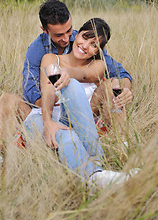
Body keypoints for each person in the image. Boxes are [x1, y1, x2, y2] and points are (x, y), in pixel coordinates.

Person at [24, 18, 138, 188]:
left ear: (98, 51)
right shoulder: (50, 58)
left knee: (69, 128)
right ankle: (95, 169)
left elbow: (84, 74)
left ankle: (94, 172)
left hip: (78, 125)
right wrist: (48, 122)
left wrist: (64, 71)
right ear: (77, 34)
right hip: (44, 118)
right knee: (65, 132)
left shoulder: (98, 65)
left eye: (94, 45)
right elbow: (47, 89)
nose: (86, 45)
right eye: (85, 37)